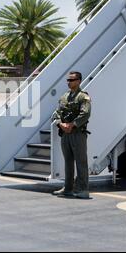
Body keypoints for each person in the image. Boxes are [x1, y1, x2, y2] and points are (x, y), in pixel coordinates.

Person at [52, 71, 92, 199]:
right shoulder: (64, 97)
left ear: (79, 81)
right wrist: (60, 124)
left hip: (77, 133)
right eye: (68, 80)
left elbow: (85, 113)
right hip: (65, 133)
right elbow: (57, 113)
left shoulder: (83, 97)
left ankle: (83, 189)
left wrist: (72, 125)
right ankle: (68, 188)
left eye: (72, 80)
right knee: (68, 162)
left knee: (81, 162)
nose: (69, 82)